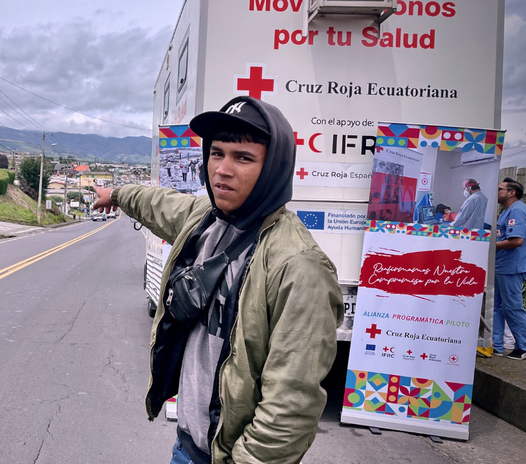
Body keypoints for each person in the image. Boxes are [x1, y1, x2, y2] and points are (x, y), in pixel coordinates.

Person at [91, 96, 343, 464]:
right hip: (188, 445)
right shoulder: (206, 220)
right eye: (216, 153)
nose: (222, 169)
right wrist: (115, 194)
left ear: (273, 167)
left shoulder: (298, 266)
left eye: (243, 158)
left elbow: (291, 407)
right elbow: (156, 202)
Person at [493, 177, 526, 360]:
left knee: (512, 307)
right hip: (503, 266)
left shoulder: (517, 211)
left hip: (512, 267)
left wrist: (490, 245)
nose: (498, 192)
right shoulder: (507, 211)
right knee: (496, 307)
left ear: (512, 193)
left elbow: (517, 241)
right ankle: (496, 345)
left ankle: (523, 347)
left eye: (500, 189)